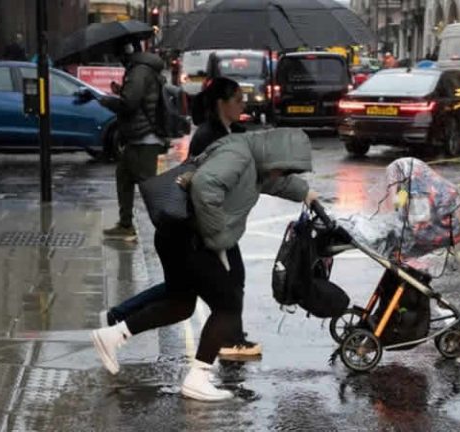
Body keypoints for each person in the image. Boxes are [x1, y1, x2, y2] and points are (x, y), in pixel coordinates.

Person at [92, 120, 317, 402]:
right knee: (228, 305)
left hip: (177, 234)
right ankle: (197, 378)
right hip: (189, 237)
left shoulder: (254, 161)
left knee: (180, 303)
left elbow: (272, 181)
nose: (280, 174)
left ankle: (113, 335)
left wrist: (306, 193)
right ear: (276, 157)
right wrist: (217, 236)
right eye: (283, 168)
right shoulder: (238, 156)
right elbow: (205, 185)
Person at [100, 78, 262, 360]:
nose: (243, 105)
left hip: (202, 225)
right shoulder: (210, 137)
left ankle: (118, 318)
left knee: (183, 293)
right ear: (221, 103)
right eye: (238, 100)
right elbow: (206, 182)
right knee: (224, 285)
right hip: (200, 226)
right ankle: (229, 340)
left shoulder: (228, 132)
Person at [100, 42, 166, 242]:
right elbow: (136, 97)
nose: (119, 59)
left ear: (126, 53)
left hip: (144, 137)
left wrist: (107, 101)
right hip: (137, 137)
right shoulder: (140, 70)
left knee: (149, 188)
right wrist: (121, 90)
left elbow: (129, 104)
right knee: (124, 177)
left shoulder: (139, 71)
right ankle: (125, 225)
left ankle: (169, 228)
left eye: (119, 55)